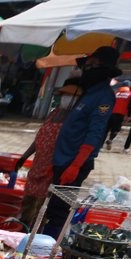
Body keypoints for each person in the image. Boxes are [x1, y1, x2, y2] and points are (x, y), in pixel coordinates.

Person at [42, 46, 121, 237]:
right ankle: (44, 240)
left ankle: (46, 248)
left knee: (59, 210)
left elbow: (95, 133)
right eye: (88, 64)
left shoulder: (104, 96)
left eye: (94, 65)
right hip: (63, 160)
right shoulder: (88, 93)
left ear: (105, 70)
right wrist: (56, 162)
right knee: (52, 207)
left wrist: (76, 165)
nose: (88, 68)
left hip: (74, 163)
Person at [15, 81, 83, 228]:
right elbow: (39, 139)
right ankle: (22, 226)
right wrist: (24, 156)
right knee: (29, 199)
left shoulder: (75, 119)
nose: (64, 98)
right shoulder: (54, 113)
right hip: (38, 164)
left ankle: (34, 231)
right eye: (63, 95)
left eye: (68, 96)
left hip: (53, 167)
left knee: (42, 204)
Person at [104, 80, 131, 150]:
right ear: (129, 86)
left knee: (106, 129)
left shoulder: (116, 93)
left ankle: (100, 145)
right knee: (116, 129)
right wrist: (128, 116)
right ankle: (110, 139)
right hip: (120, 115)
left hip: (110, 114)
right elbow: (130, 106)